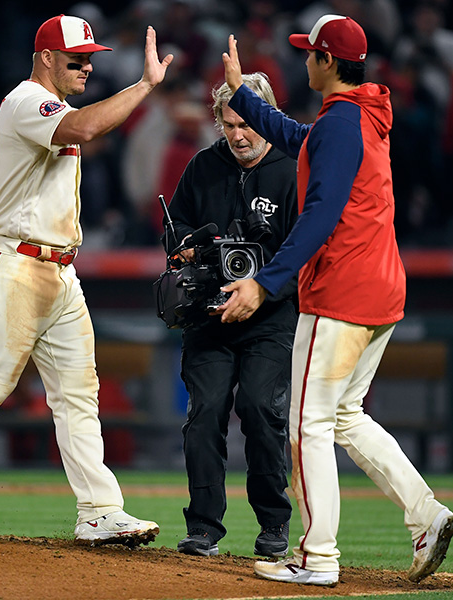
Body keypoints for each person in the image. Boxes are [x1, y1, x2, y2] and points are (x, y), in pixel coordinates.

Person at [0, 14, 173, 547]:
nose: (87, 66)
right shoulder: (26, 101)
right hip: (16, 266)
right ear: (46, 57)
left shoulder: (56, 107)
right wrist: (144, 87)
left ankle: (98, 511)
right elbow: (85, 128)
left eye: (90, 57)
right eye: (76, 57)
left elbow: (79, 124)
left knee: (78, 394)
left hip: (61, 272)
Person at [216, 15, 453, 586]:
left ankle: (317, 556)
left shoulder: (343, 124)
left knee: (308, 424)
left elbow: (320, 213)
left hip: (343, 292)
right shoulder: (357, 117)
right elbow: (303, 143)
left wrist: (266, 281)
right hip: (380, 287)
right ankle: (426, 514)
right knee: (344, 415)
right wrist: (246, 99)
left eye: (309, 53)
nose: (303, 60)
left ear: (327, 62)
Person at [164, 73, 299, 558]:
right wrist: (182, 249)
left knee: (263, 410)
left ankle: (273, 526)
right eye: (229, 123)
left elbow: (306, 252)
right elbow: (175, 225)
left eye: (247, 123)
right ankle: (202, 527)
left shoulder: (292, 170)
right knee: (204, 414)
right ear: (217, 121)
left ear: (266, 119)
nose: (238, 135)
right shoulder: (203, 167)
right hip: (208, 313)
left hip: (272, 313)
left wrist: (262, 289)